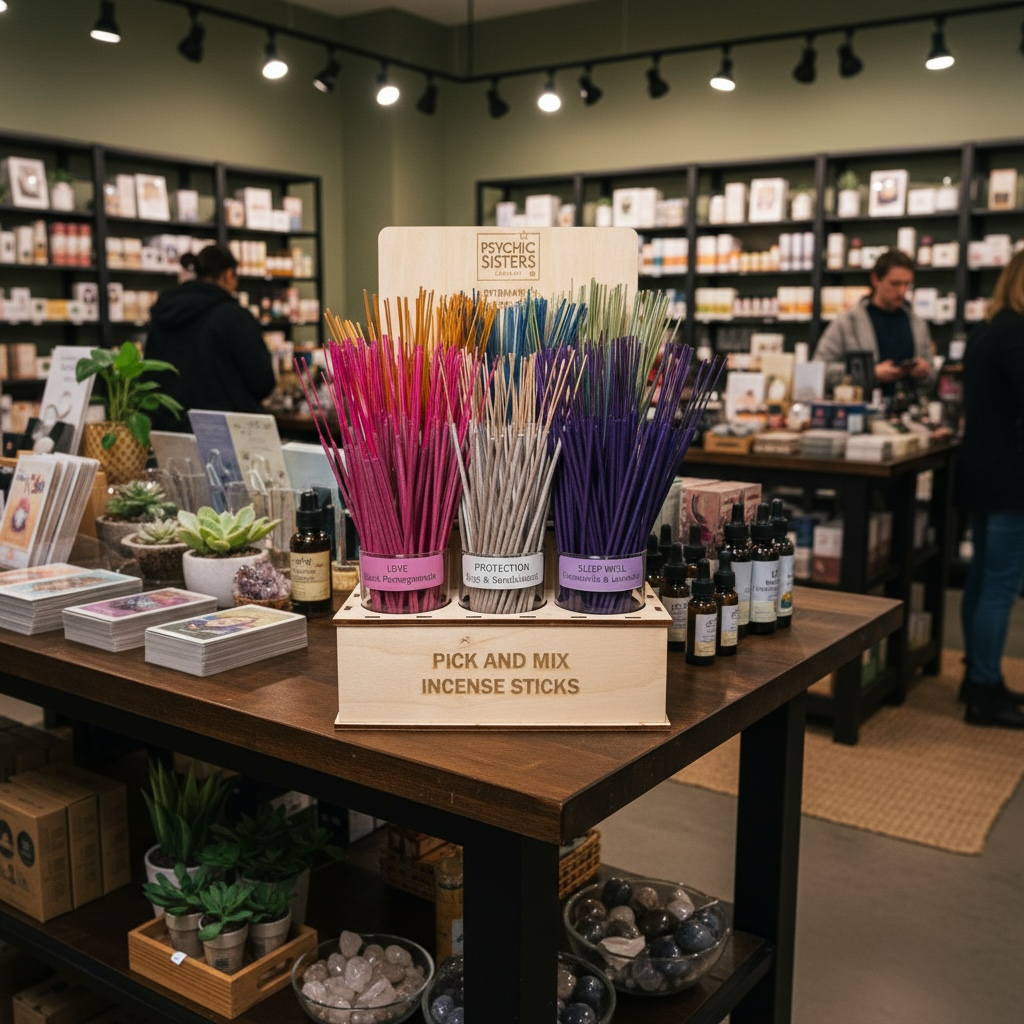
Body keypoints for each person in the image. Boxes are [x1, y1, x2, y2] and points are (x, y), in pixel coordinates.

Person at [957, 248, 1024, 729]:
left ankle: (976, 677)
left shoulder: (987, 331)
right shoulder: (1018, 334)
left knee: (982, 576)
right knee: (1000, 584)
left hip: (981, 468)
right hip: (1011, 476)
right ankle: (984, 689)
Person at [144, 244, 275, 431]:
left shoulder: (164, 312)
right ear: (229, 274)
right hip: (225, 432)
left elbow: (150, 374)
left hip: (169, 429)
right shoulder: (233, 316)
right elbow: (262, 381)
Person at [812, 248, 934, 396]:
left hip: (908, 411)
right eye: (895, 284)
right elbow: (818, 370)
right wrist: (870, 373)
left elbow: (931, 377)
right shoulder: (847, 323)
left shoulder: (918, 324)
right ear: (876, 279)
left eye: (907, 284)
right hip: (863, 412)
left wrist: (923, 372)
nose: (902, 291)